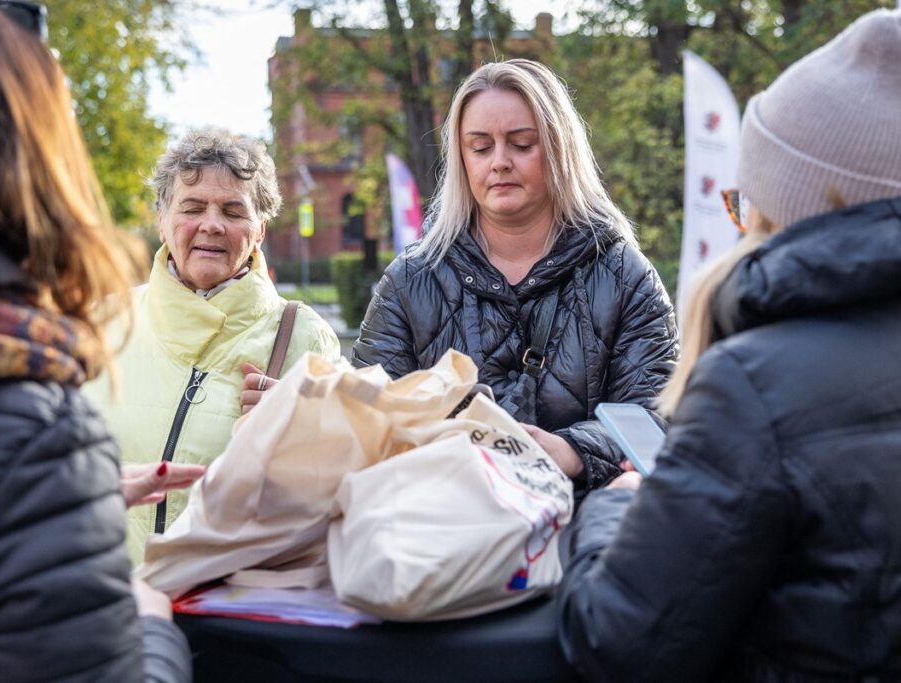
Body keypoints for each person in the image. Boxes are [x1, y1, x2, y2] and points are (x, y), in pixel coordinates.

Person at [556, 9, 901, 681]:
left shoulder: (755, 383)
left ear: (787, 208)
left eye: (747, 202)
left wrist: (614, 503)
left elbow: (617, 638)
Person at [0, 1, 196, 680]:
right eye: (192, 207)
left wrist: (44, 522)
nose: (210, 228)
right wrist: (150, 628)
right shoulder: (32, 436)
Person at [352, 59, 678, 494]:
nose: (500, 162)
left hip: (588, 525)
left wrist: (573, 451)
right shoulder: (410, 280)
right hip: (444, 521)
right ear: (461, 159)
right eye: (481, 148)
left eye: (522, 144)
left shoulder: (624, 274)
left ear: (559, 148)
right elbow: (367, 417)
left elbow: (656, 416)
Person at [83, 128, 341, 561]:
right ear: (162, 222)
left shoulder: (304, 336)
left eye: (233, 210)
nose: (212, 224)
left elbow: (338, 490)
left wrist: (303, 435)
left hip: (232, 609)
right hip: (102, 596)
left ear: (260, 228)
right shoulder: (104, 321)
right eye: (192, 207)